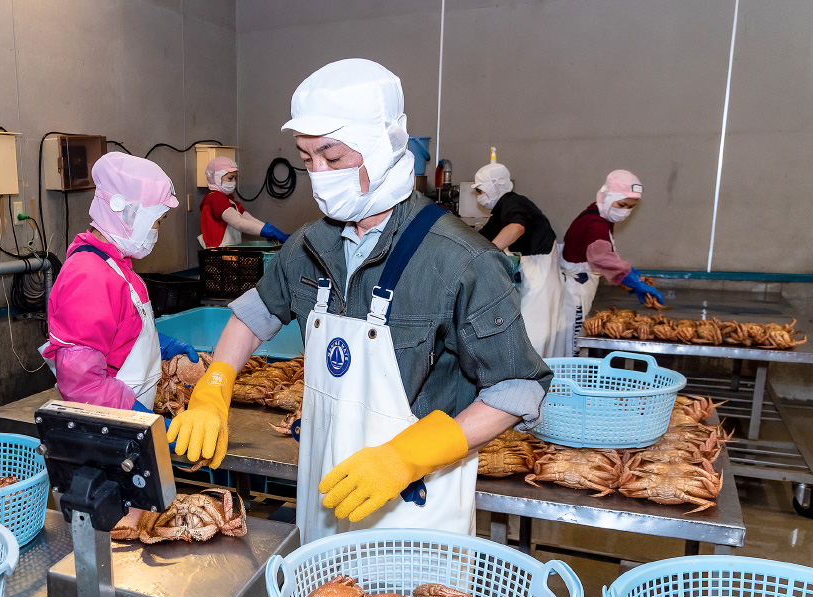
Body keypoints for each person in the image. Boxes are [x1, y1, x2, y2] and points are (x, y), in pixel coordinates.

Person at [168, 59, 552, 542]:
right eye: (307, 160)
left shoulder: (461, 260)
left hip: (416, 508)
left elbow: (516, 388)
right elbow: (255, 314)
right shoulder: (309, 246)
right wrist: (214, 387)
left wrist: (405, 456)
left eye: (332, 157)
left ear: (382, 146)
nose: (319, 174)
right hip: (324, 495)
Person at [41, 152, 198, 413]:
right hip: (109, 428)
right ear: (128, 215)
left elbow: (114, 334)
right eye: (157, 221)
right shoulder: (88, 275)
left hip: (121, 422)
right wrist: (143, 422)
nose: (157, 230)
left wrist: (158, 344)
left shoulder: (116, 264)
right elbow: (82, 385)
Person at [558, 169, 663, 356]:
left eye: (631, 207)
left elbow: (604, 257)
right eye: (622, 204)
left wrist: (630, 276)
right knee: (572, 345)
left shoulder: (600, 215)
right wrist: (632, 281)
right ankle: (566, 383)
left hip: (580, 286)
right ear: (607, 197)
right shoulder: (595, 224)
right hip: (574, 294)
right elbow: (601, 258)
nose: (625, 211)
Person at [473, 162, 565, 357]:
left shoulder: (514, 202)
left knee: (534, 340)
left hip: (541, 278)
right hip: (532, 275)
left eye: (480, 190)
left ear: (495, 185)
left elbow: (516, 228)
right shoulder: (500, 211)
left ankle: (536, 385)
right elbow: (481, 238)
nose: (479, 196)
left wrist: (487, 254)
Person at [198, 156, 289, 247]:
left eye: (235, 178)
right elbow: (238, 222)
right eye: (230, 178)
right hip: (218, 253)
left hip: (227, 252)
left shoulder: (228, 200)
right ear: (215, 178)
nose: (233, 182)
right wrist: (268, 232)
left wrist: (271, 230)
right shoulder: (216, 198)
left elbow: (248, 219)